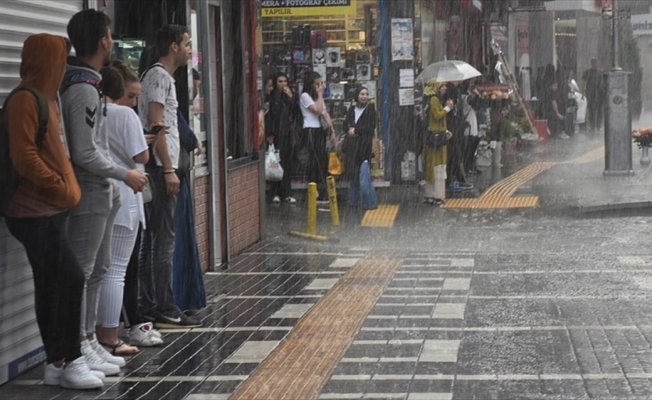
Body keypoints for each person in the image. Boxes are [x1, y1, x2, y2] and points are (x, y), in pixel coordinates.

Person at [3, 33, 104, 390]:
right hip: (33, 212)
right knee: (71, 278)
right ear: (48, 61)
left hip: (48, 210)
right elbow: (24, 156)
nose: (64, 66)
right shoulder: (25, 100)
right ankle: (70, 358)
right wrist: (61, 187)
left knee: (51, 283)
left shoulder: (48, 97)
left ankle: (56, 362)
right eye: (60, 59)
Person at [61, 9, 147, 376]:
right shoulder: (81, 87)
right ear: (103, 40)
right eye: (110, 35)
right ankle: (76, 347)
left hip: (103, 189)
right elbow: (83, 151)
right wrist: (122, 173)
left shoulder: (90, 83)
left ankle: (90, 341)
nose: (111, 40)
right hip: (90, 190)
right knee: (84, 272)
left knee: (98, 270)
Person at [138, 24, 202, 328]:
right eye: (187, 44)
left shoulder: (164, 78)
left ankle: (157, 303)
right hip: (161, 168)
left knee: (159, 239)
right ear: (174, 46)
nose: (190, 50)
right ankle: (162, 306)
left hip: (166, 166)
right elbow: (156, 125)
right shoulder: (158, 77)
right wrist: (167, 169)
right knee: (163, 240)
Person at [95, 62, 150, 356]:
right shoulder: (125, 115)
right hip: (126, 194)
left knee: (98, 270)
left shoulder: (92, 111)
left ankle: (95, 337)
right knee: (116, 270)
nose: (134, 101)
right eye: (131, 95)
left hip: (99, 193)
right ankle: (110, 336)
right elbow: (140, 154)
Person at [299, 71, 335, 200]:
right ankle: (315, 191)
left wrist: (332, 130)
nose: (320, 86)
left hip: (319, 130)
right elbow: (317, 110)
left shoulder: (317, 97)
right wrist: (320, 94)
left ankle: (322, 189)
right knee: (314, 161)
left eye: (321, 83)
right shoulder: (305, 96)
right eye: (317, 84)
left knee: (322, 159)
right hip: (310, 130)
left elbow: (325, 113)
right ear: (311, 84)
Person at [342, 86, 377, 208]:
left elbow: (370, 127)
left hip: (364, 149)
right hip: (352, 149)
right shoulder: (352, 109)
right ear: (357, 95)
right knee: (353, 179)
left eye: (366, 94)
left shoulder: (371, 110)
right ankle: (353, 203)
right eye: (362, 94)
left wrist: (355, 130)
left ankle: (370, 203)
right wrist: (349, 129)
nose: (364, 96)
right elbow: (345, 124)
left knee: (363, 179)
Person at [267, 72, 297, 204]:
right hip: (276, 135)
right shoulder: (272, 98)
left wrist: (291, 97)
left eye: (285, 81)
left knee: (286, 164)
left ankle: (286, 193)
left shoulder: (289, 97)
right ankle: (275, 193)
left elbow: (296, 113)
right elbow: (269, 117)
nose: (283, 84)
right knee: (275, 164)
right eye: (280, 81)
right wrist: (270, 134)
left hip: (287, 135)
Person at [423, 80, 453, 207]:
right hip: (437, 139)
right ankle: (438, 195)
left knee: (431, 166)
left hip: (434, 135)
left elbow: (433, 120)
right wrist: (448, 108)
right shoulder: (435, 100)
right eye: (443, 86)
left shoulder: (432, 99)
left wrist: (445, 130)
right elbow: (437, 116)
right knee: (439, 165)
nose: (445, 88)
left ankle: (430, 194)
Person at [581, 58, 604, 135]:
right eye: (594, 63)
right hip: (590, 93)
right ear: (591, 63)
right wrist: (583, 91)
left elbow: (604, 82)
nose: (596, 64)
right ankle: (592, 125)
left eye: (596, 63)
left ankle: (598, 125)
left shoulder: (601, 72)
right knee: (591, 109)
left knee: (599, 109)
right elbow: (584, 82)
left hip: (599, 93)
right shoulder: (587, 72)